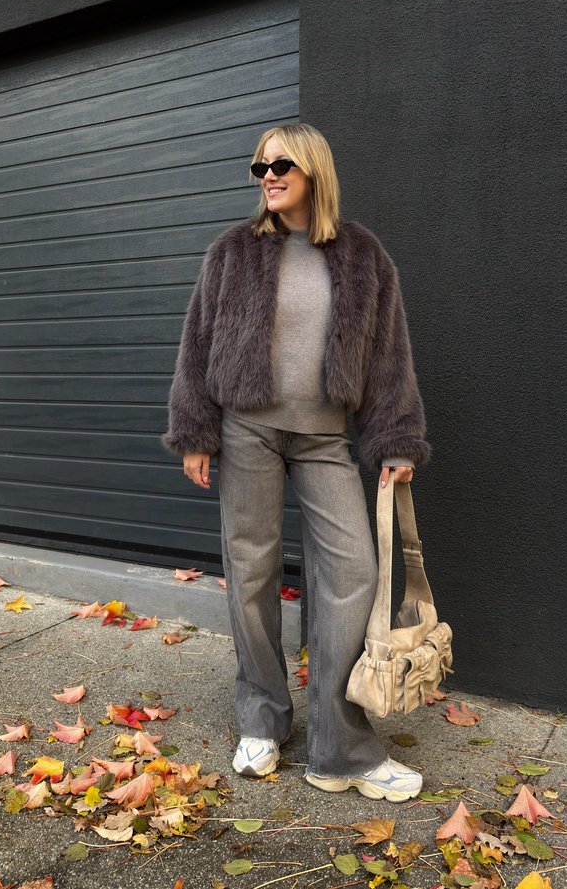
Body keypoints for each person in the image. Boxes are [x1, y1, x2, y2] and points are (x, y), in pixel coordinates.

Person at [164, 123, 430, 802]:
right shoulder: (232, 250)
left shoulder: (364, 256)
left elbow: (389, 357)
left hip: (323, 438)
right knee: (250, 570)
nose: (268, 174)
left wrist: (398, 437)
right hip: (246, 429)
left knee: (353, 569)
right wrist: (195, 429)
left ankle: (338, 746)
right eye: (259, 165)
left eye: (281, 162)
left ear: (314, 168)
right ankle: (262, 716)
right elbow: (197, 343)